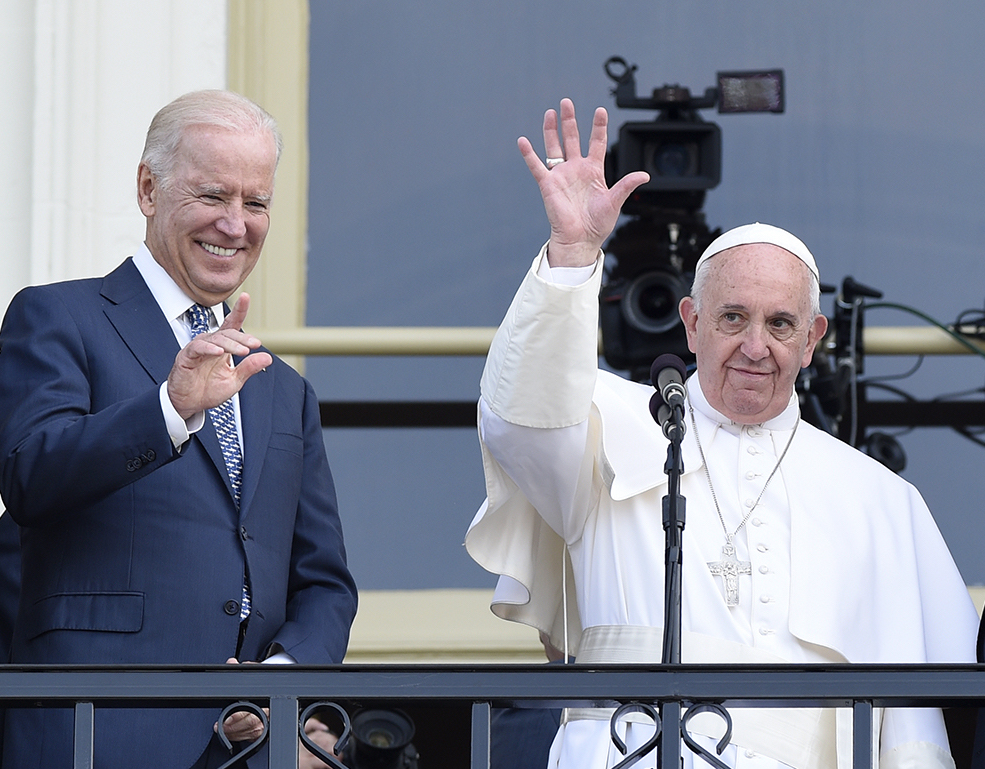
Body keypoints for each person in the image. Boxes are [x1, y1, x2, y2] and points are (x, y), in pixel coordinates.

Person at [465, 98, 979, 769]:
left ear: (813, 338)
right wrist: (571, 255)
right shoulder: (604, 427)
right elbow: (518, 420)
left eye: (780, 323)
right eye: (732, 317)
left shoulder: (880, 501)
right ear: (691, 322)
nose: (755, 346)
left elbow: (913, 726)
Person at [0, 89, 358, 769]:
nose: (235, 224)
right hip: (100, 733)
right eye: (213, 196)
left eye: (256, 204)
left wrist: (280, 681)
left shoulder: (282, 387)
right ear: (148, 189)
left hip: (249, 748)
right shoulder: (57, 317)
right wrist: (169, 408)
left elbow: (324, 583)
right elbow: (29, 474)